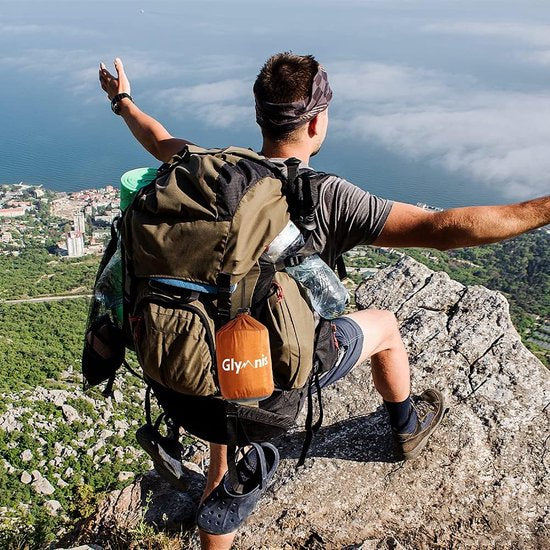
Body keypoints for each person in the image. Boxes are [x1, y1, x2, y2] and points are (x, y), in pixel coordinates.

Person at [99, 53, 550, 550]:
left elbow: (157, 139)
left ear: (260, 116)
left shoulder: (206, 172)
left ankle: (217, 500)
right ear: (317, 122)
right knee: (385, 327)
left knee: (226, 389)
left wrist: (122, 100)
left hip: (194, 371)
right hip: (271, 387)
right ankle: (405, 427)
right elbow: (443, 229)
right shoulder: (326, 198)